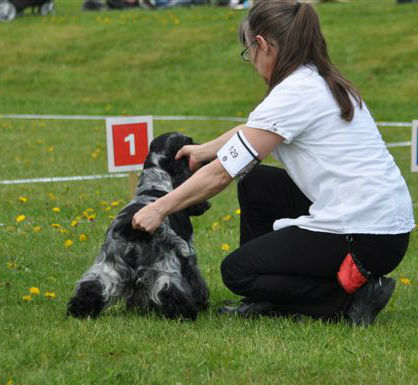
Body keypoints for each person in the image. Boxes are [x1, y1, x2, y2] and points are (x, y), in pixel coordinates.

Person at [132, 0, 415, 326]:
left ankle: (350, 297)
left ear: (263, 45)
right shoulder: (318, 79)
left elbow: (222, 173)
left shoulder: (293, 93)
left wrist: (159, 208)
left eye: (248, 52)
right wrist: (203, 150)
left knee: (236, 272)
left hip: (366, 233)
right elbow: (252, 133)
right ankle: (266, 298)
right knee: (256, 181)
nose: (251, 61)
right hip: (383, 224)